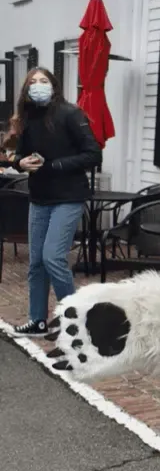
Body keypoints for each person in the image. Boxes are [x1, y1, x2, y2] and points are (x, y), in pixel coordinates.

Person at [4, 68, 101, 336]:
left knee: (53, 258)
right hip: (39, 198)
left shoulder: (71, 114)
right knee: (36, 262)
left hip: (68, 196)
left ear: (54, 86)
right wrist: (21, 163)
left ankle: (75, 322)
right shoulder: (26, 118)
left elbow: (93, 154)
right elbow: (19, 155)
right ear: (26, 90)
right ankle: (38, 320)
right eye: (33, 82)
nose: (38, 85)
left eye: (43, 81)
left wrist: (55, 165)